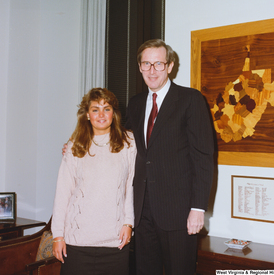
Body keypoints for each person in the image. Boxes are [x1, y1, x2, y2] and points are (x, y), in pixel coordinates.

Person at [125, 39, 214, 275]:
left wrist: (198, 209)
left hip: (179, 212)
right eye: (146, 64)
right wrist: (76, 145)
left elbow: (203, 157)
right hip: (142, 211)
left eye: (158, 64)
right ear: (140, 67)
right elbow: (119, 142)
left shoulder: (190, 100)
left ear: (170, 66)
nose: (152, 71)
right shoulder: (134, 104)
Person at [52, 88, 136, 275]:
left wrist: (128, 223)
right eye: (95, 109)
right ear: (87, 115)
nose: (101, 114)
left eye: (106, 108)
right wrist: (57, 235)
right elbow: (63, 193)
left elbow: (129, 187)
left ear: (114, 113)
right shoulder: (75, 146)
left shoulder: (129, 143)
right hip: (77, 243)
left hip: (115, 243)